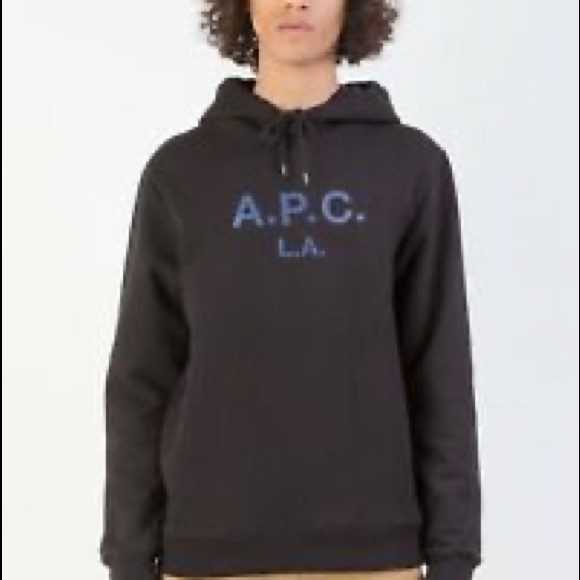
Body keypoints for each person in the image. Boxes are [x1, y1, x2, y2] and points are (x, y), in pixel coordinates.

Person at [98, 0, 483, 579]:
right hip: (209, 553)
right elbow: (141, 375)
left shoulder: (411, 166)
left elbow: (439, 366)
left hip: (375, 556)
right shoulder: (180, 172)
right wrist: (129, 558)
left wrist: (454, 556)